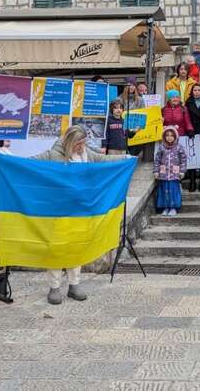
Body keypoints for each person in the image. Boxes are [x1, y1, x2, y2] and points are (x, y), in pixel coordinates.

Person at [32, 125, 128, 304]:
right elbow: (28, 163)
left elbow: (102, 159)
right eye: (78, 143)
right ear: (70, 141)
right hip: (59, 210)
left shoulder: (86, 153)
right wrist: (5, 159)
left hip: (81, 210)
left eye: (83, 142)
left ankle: (74, 284)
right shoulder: (53, 155)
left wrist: (125, 158)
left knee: (77, 246)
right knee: (57, 248)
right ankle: (54, 287)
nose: (81, 146)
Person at [154, 126, 188, 217]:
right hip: (164, 175)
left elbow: (183, 160)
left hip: (174, 175)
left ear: (175, 136)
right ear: (164, 136)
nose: (169, 138)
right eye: (167, 135)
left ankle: (173, 208)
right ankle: (165, 207)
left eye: (172, 136)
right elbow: (157, 160)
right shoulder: (161, 147)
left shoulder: (179, 147)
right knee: (164, 191)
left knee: (173, 191)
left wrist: (182, 171)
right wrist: (156, 171)